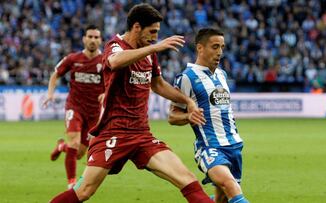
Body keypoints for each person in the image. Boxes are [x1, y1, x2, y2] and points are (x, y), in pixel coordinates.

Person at [49, 3, 214, 203]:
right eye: (152, 32)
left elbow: (158, 85)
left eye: (157, 33)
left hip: (142, 135)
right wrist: (155, 46)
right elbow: (116, 61)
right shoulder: (115, 45)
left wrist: (187, 100)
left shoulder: (148, 51)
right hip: (114, 133)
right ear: (136, 27)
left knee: (187, 179)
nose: (155, 37)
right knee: (84, 191)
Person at [168, 28, 249, 203]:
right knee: (231, 186)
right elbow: (172, 116)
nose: (220, 52)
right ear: (200, 48)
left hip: (234, 145)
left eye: (222, 47)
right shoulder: (186, 77)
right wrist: (188, 117)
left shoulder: (222, 74)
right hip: (209, 146)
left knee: (222, 199)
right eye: (214, 47)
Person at [43, 25, 104, 189]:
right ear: (84, 39)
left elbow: (113, 82)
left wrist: (106, 94)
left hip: (94, 113)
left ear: (100, 40)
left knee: (78, 153)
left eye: (96, 37)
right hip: (74, 107)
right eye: (90, 36)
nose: (92, 40)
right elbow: (55, 74)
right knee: (75, 143)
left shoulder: (105, 61)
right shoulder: (73, 58)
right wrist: (50, 93)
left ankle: (61, 146)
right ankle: (71, 184)